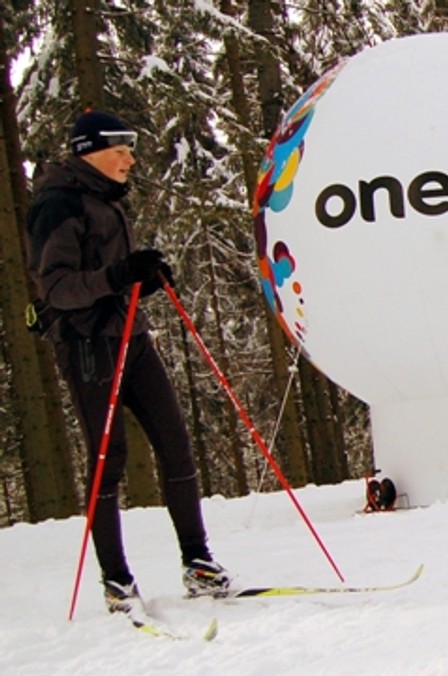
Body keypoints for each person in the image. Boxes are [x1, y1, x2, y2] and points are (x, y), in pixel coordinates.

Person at [24, 110, 231, 613]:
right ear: (90, 151)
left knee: (176, 444)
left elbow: (113, 276)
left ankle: (198, 562)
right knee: (106, 461)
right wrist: (119, 276)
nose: (130, 160)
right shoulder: (58, 205)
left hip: (132, 337)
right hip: (89, 346)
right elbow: (56, 288)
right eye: (121, 150)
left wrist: (145, 279)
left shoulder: (106, 199)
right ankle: (116, 581)